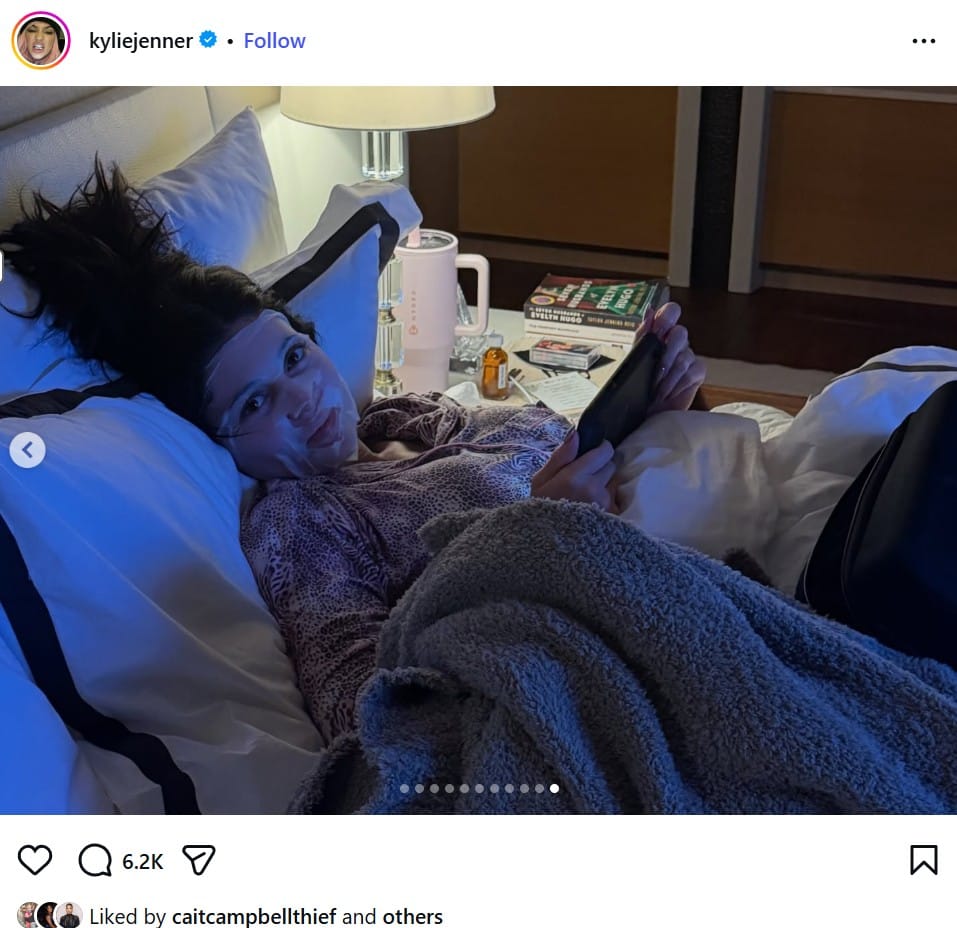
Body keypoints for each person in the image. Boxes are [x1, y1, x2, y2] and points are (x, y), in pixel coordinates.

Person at [2, 163, 706, 744]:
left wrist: (655, 419)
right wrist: (536, 541)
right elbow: (362, 709)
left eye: (293, 356)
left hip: (689, 555)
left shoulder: (419, 415)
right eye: (254, 404)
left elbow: (579, 463)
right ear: (215, 443)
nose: (301, 397)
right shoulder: (301, 525)